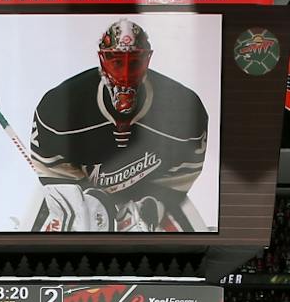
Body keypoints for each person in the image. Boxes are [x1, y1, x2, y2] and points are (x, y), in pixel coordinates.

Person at [27, 18, 210, 232]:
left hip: (146, 193)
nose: (124, 76)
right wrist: (85, 200)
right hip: (83, 192)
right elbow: (53, 170)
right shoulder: (59, 106)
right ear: (102, 60)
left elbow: (182, 173)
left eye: (134, 63)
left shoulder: (185, 110)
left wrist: (152, 205)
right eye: (117, 62)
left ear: (147, 60)